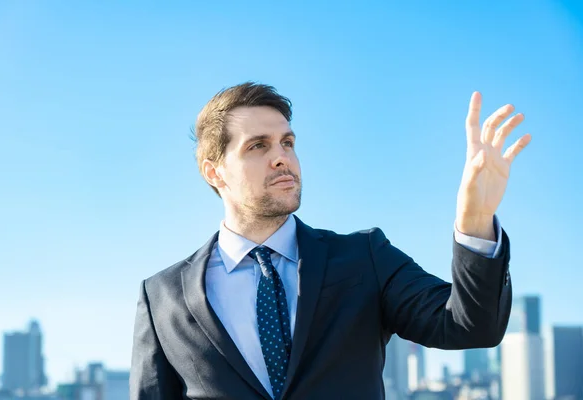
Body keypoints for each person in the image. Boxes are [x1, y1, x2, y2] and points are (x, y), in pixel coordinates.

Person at [130, 82, 531, 399]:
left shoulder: (365, 258)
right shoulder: (162, 297)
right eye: (258, 146)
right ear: (214, 172)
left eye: (288, 142)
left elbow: (469, 326)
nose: (281, 157)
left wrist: (475, 222)